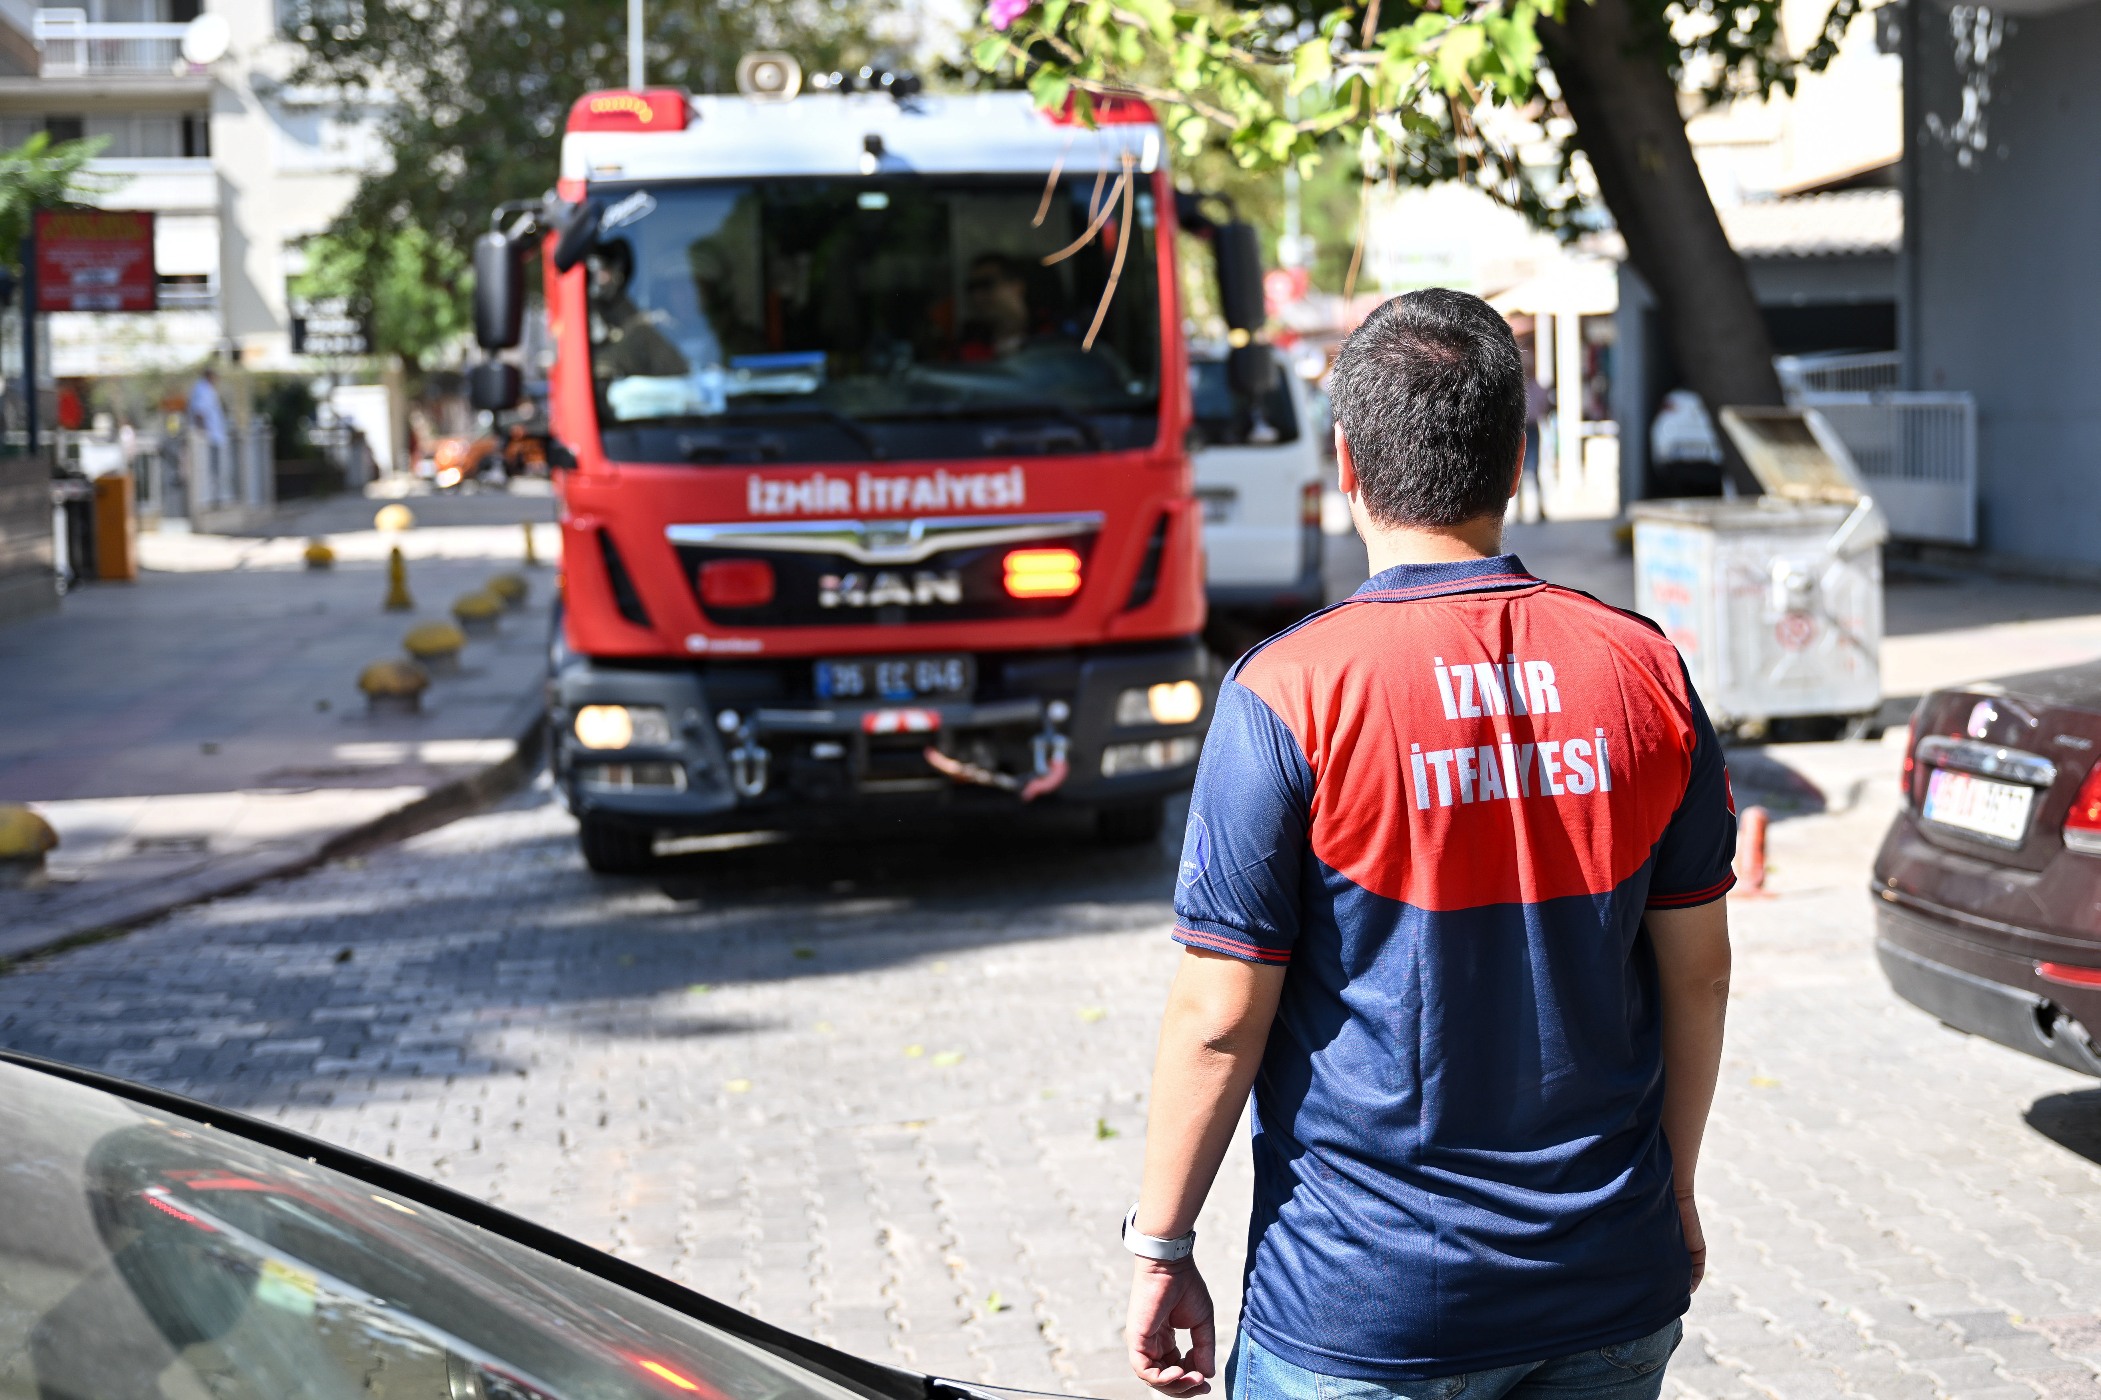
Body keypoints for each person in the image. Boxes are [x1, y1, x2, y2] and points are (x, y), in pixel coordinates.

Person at [1123, 288, 1737, 1400]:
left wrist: (1161, 1244)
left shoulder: (1290, 691)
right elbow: (1699, 973)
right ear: (1517, 457)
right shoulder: (1643, 668)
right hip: (1607, 1279)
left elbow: (1218, 1020)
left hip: (1365, 1308)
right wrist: (1673, 1190)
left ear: (1345, 463)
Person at [957, 252, 1034, 361]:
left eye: (986, 284)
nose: (977, 296)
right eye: (972, 288)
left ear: (1017, 287)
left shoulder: (1051, 332)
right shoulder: (970, 343)